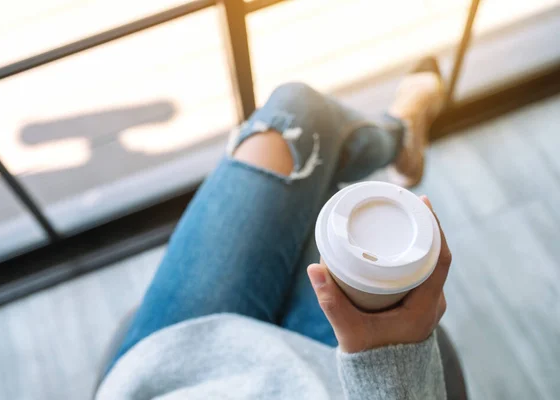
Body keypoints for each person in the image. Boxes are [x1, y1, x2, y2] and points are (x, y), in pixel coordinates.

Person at [96, 58, 451, 399]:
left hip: (170, 372)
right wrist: (394, 370)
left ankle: (397, 138)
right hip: (328, 381)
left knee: (294, 116)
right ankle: (397, 135)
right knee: (334, 215)